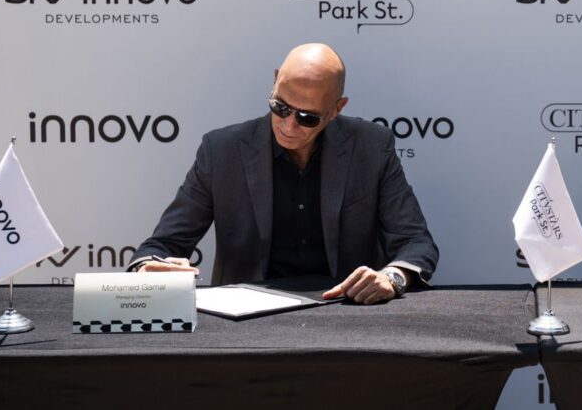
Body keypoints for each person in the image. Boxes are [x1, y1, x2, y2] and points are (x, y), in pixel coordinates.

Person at [129, 43, 438, 304]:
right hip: (245, 318)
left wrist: (392, 277)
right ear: (276, 81)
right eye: (280, 107)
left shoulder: (371, 147)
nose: (289, 126)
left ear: (336, 109)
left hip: (345, 310)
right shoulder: (221, 151)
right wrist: (149, 269)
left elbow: (416, 243)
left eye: (307, 117)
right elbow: (160, 246)